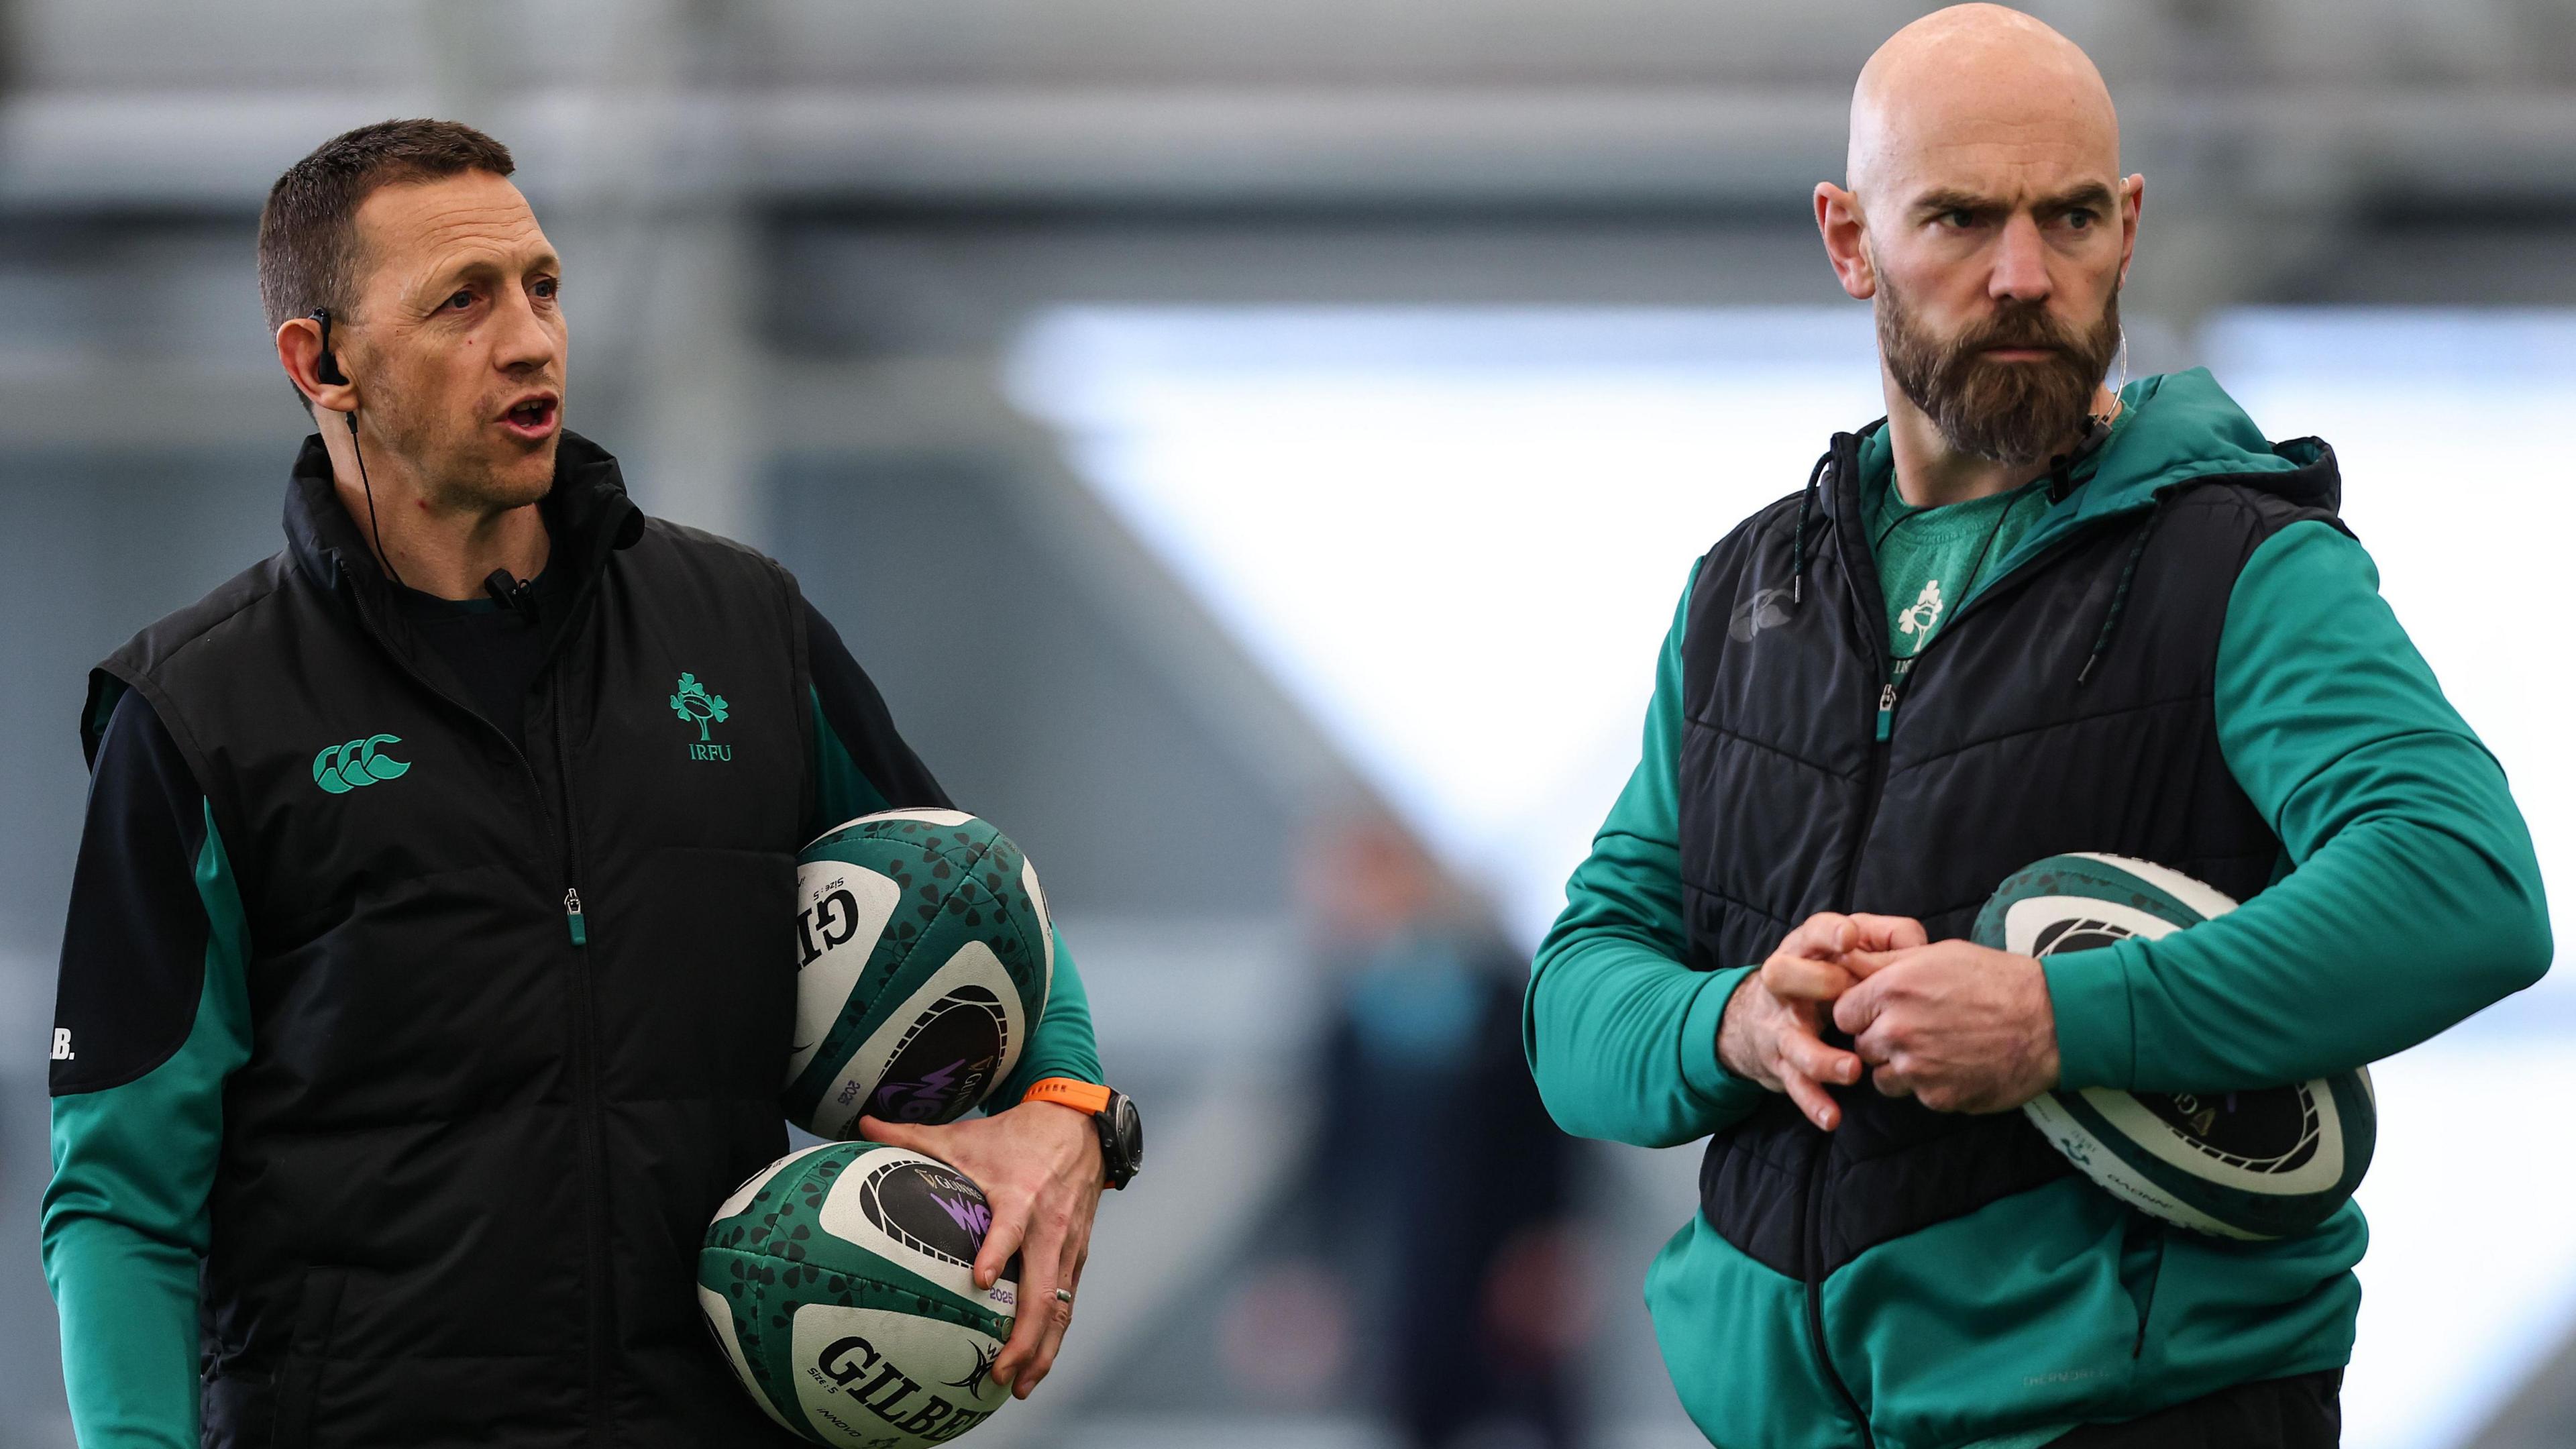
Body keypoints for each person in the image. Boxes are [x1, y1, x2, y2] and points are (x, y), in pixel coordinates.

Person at [1525, 8, 2549, 1448]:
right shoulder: (1747, 594)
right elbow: (1575, 1004)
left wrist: (2057, 1021)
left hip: (2143, 1415)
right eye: (1959, 219)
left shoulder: (2242, 566)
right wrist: (1739, 1019)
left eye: (2070, 218)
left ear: (2128, 227)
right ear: (1848, 239)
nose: (2025, 275)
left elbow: (2469, 889)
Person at [42, 119, 1138, 1448]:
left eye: (541, 285)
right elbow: (124, 1202)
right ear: (319, 361)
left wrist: (1066, 1107)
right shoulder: (196, 712)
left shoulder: (741, 629)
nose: (529, 339)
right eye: (462, 302)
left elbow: (972, 890)